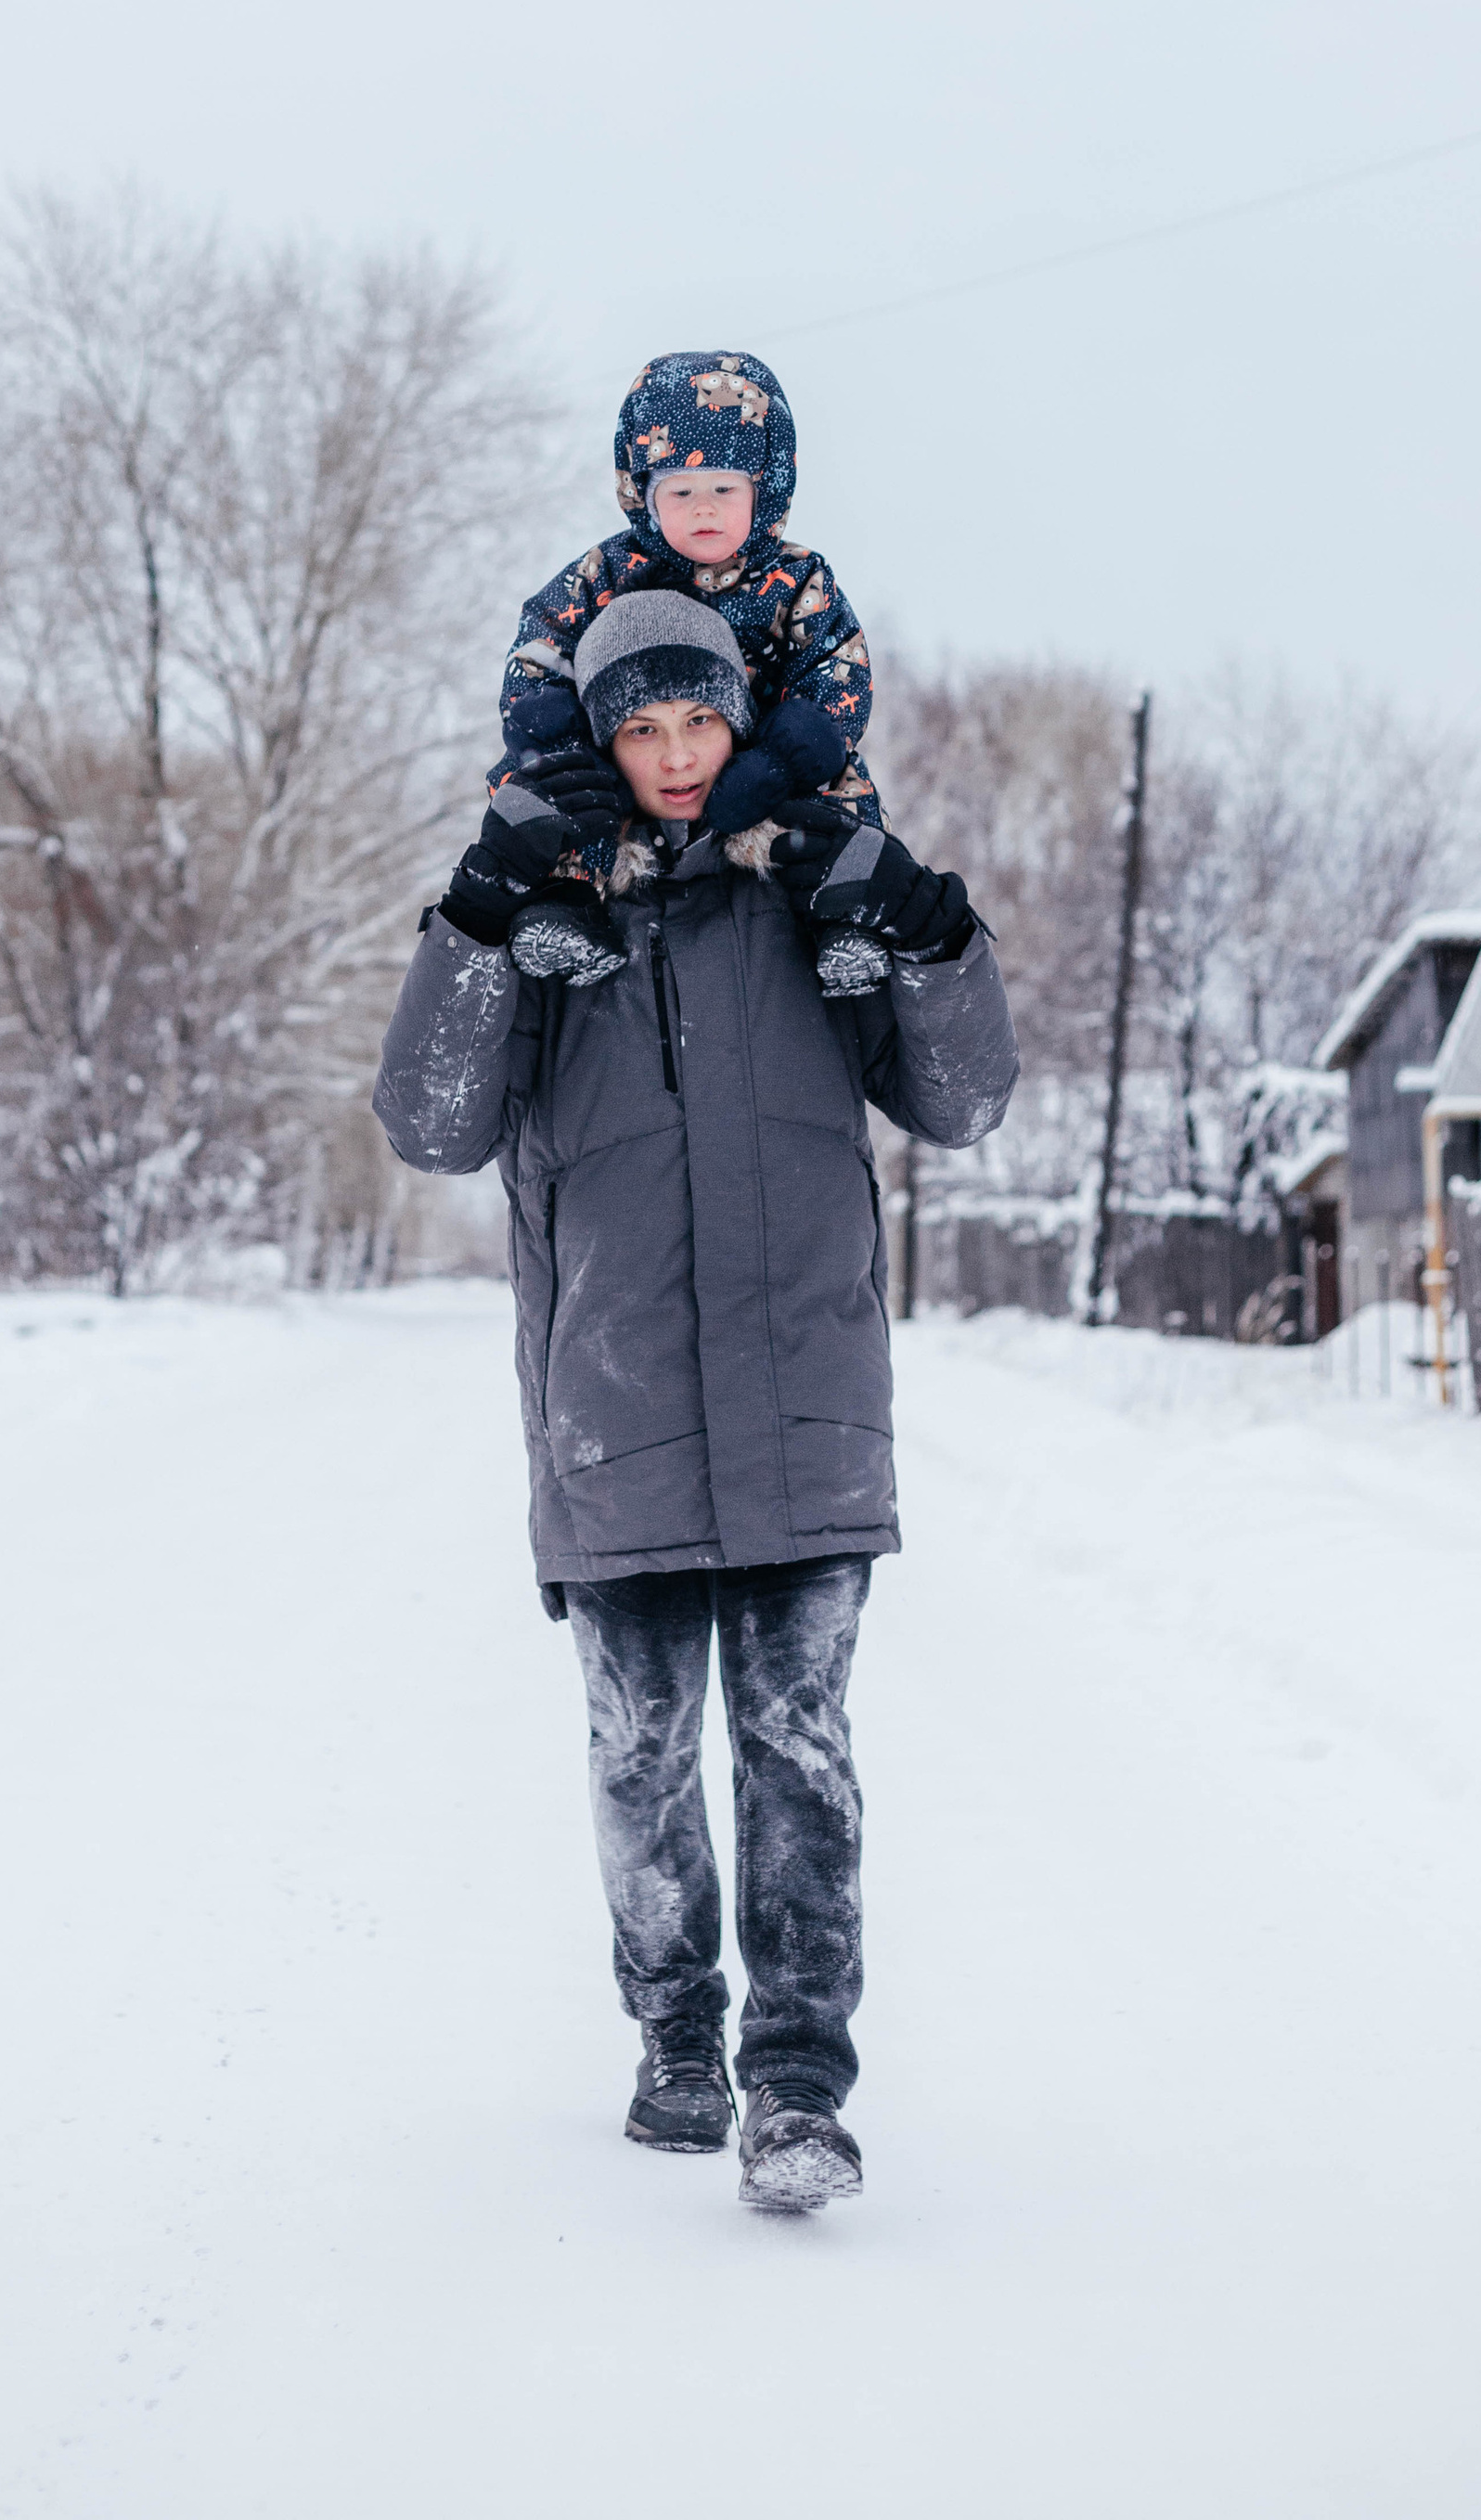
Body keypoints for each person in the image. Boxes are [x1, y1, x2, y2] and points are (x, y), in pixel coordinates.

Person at [373, 588, 1019, 2215]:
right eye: (641, 728)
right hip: (618, 1411)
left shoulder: (812, 894)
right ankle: (676, 2039)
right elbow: (434, 1122)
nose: (674, 755)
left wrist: (928, 927)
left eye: (701, 720)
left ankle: (796, 2086)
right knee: (643, 1751)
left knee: (800, 1749)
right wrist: (475, 912)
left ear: (742, 721)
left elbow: (963, 1102)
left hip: (807, 1404)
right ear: (599, 743)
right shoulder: (548, 920)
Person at [488, 347, 888, 994]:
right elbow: (541, 646)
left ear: (764, 488)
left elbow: (836, 667)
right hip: (635, 755)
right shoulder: (608, 572)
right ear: (643, 495)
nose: (705, 510)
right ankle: (564, 902)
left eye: (724, 489)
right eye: (681, 492)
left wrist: (785, 757)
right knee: (557, 788)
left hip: (763, 757)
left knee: (840, 787)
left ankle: (844, 914)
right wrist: (556, 731)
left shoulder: (797, 578)